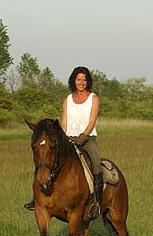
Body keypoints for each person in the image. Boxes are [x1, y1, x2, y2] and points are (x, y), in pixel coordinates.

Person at [24, 66, 103, 219]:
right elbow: (64, 123)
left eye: (84, 79)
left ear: (88, 81)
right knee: (47, 160)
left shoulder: (93, 98)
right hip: (68, 139)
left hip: (87, 139)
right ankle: (36, 199)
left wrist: (83, 136)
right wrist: (61, 138)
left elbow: (92, 120)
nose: (82, 82)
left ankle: (97, 204)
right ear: (74, 80)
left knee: (96, 163)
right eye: (79, 79)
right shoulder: (68, 99)